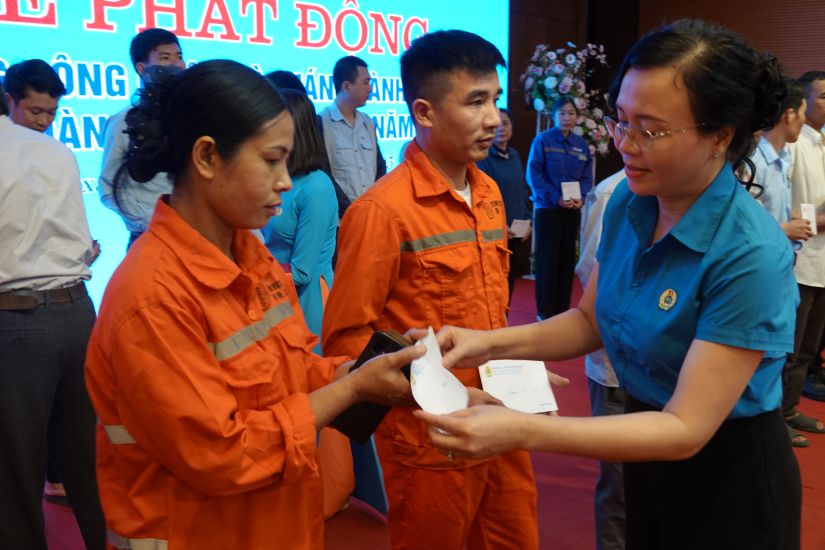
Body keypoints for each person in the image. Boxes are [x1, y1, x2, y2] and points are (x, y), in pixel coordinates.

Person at [417, 20, 801, 550]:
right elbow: (588, 321)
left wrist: (522, 430)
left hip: (726, 470)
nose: (625, 144)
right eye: (620, 121)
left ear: (720, 135)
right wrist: (485, 340)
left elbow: (687, 427)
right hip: (644, 444)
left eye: (650, 129)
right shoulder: (629, 202)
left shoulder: (750, 253)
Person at [84, 60, 423, 550]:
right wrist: (351, 392)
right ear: (206, 158)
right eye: (271, 160)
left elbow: (294, 369)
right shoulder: (152, 296)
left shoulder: (252, 255)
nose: (286, 181)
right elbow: (223, 454)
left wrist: (360, 373)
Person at [323, 30, 539, 550]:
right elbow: (349, 345)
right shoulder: (381, 211)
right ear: (424, 111)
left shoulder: (486, 191)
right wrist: (440, 394)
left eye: (495, 100)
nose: (494, 118)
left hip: (501, 415)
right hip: (429, 436)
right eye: (475, 102)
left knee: (515, 538)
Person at [0, 80, 105, 550]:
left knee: (16, 472)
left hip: (16, 322)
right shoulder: (57, 151)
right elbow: (83, 243)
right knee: (92, 459)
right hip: (78, 312)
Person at [4, 57, 77, 503]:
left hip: (51, 311)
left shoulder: (58, 152)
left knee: (37, 450)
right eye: (35, 112)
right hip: (29, 311)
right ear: (9, 99)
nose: (44, 123)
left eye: (51, 114)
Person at [750, 78, 819, 446]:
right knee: (763, 351)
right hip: (758, 271)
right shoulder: (755, 160)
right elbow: (743, 225)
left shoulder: (784, 157)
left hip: (781, 266)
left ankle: (777, 415)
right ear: (789, 114)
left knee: (783, 348)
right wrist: (785, 228)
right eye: (804, 112)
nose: (805, 121)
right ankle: (764, 422)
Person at [575, 169, 627, 550]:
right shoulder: (612, 195)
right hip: (615, 365)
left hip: (666, 372)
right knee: (620, 485)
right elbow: (590, 271)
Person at [262, 89, 338, 354]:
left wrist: (251, 276)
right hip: (275, 297)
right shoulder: (276, 177)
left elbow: (303, 271)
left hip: (308, 303)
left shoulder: (316, 186)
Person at [98, 28, 185, 249]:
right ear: (142, 68)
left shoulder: (190, 115)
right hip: (150, 239)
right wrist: (148, 222)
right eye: (165, 58)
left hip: (194, 237)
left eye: (179, 57)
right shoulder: (124, 120)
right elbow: (108, 188)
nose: (176, 65)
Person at [527, 96, 594, 320]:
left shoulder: (581, 144)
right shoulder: (543, 141)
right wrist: (556, 198)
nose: (567, 118)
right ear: (554, 116)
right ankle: (544, 311)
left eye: (571, 113)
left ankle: (561, 311)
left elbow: (586, 176)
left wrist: (581, 198)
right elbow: (534, 175)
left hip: (572, 210)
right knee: (547, 261)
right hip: (548, 210)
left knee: (566, 261)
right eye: (562, 113)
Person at [788, 71, 825, 405]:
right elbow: (787, 205)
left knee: (810, 347)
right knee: (792, 346)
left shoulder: (822, 142)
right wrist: (821, 221)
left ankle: (791, 408)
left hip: (823, 261)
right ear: (804, 102)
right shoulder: (796, 144)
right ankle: (779, 412)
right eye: (824, 97)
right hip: (801, 257)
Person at [319, 56, 387, 217]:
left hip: (372, 214)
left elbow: (380, 167)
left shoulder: (368, 123)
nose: (370, 88)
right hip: (341, 220)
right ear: (347, 86)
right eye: (366, 82)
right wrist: (351, 211)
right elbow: (324, 174)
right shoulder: (322, 122)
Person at [477, 108, 532, 301]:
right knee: (494, 288)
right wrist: (499, 225)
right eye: (497, 124)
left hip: (516, 233)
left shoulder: (515, 155)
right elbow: (483, 197)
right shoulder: (484, 158)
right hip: (495, 234)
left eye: (506, 123)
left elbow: (522, 191)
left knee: (509, 286)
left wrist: (528, 221)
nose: (502, 128)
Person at [3, 58, 64, 133]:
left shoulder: (51, 144)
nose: (43, 121)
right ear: (9, 101)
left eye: (51, 113)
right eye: (35, 112)